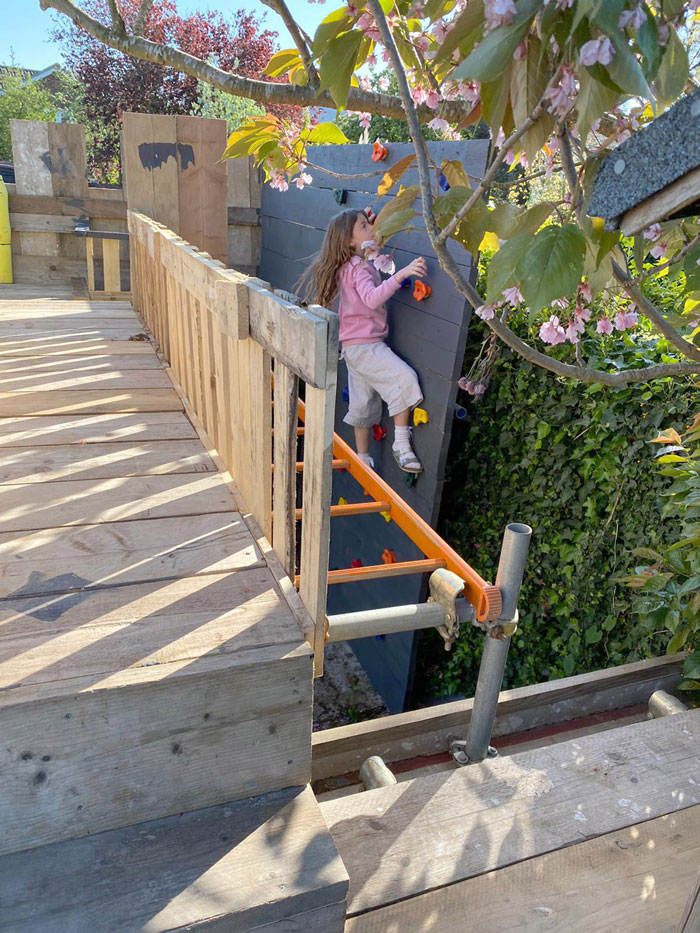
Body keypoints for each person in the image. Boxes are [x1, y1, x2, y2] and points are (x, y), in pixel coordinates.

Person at [299, 208, 426, 473]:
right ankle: (401, 445)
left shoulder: (348, 267)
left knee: (363, 404)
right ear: (350, 241)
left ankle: (363, 458)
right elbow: (371, 299)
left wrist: (369, 242)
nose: (371, 228)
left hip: (352, 349)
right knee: (404, 378)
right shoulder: (361, 269)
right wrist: (401, 275)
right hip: (366, 346)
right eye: (364, 226)